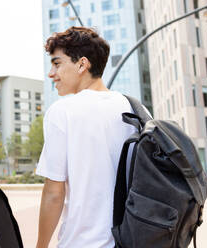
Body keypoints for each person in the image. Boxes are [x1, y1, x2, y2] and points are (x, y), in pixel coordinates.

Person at [36, 27, 136, 248]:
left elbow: (54, 192)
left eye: (57, 63)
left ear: (82, 64)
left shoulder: (62, 112)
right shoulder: (135, 108)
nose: (51, 73)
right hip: (133, 240)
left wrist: (41, 245)